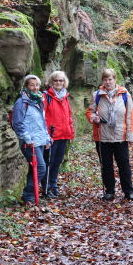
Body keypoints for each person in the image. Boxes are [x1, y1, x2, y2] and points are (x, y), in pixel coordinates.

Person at [86, 69, 133, 202]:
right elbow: (89, 112)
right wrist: (93, 118)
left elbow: (130, 116)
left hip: (120, 136)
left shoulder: (125, 95)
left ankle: (128, 191)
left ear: (115, 79)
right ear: (103, 81)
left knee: (124, 165)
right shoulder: (97, 95)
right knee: (106, 165)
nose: (108, 82)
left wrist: (130, 135)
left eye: (110, 79)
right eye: (105, 79)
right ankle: (109, 191)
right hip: (102, 136)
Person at [12, 75, 51, 205]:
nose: (35, 88)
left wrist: (46, 139)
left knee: (33, 169)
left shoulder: (38, 100)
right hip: (29, 143)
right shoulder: (21, 102)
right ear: (26, 87)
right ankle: (27, 196)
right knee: (41, 168)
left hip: (39, 141)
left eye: (37, 85)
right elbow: (17, 123)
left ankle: (28, 198)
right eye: (32, 85)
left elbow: (42, 122)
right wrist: (27, 139)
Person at [41, 71, 75, 199]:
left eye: (61, 80)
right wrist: (46, 136)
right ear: (51, 82)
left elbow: (69, 116)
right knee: (48, 162)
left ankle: (53, 185)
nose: (59, 83)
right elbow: (42, 117)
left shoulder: (65, 96)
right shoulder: (46, 96)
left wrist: (70, 133)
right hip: (52, 136)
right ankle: (47, 187)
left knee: (57, 162)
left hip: (64, 135)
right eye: (56, 80)